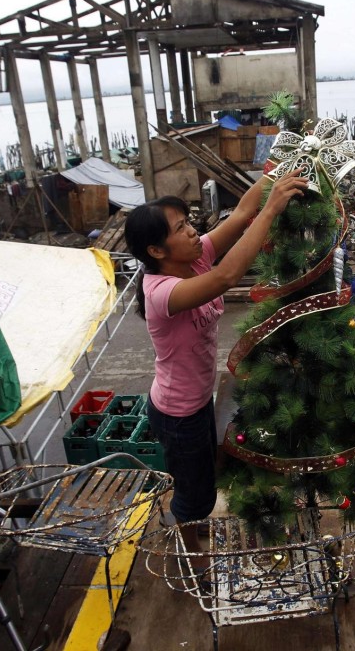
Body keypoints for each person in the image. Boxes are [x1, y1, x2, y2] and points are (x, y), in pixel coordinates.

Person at [124, 170, 306, 564]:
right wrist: (273, 208)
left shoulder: (195, 257)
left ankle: (191, 520)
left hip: (196, 401)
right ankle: (190, 554)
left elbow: (241, 212)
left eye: (188, 222)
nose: (192, 231)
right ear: (157, 251)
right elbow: (228, 276)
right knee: (195, 493)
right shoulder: (161, 292)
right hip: (177, 413)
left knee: (202, 476)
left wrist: (274, 171)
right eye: (180, 228)